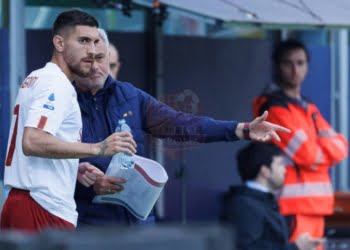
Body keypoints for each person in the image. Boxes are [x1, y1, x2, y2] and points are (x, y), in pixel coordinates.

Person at [73, 29, 290, 226]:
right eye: (87, 59)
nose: (96, 66)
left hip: (138, 223)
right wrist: (85, 183)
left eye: (101, 58)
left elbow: (181, 124)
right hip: (90, 223)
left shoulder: (130, 96)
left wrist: (241, 129)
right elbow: (45, 161)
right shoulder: (64, 100)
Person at [1, 10, 137, 233]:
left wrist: (72, 166)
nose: (92, 51)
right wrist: (99, 147)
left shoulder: (41, 77)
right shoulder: (56, 84)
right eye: (83, 41)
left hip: (29, 202)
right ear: (59, 43)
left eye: (95, 42)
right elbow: (33, 141)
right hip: (42, 207)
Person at [253, 39, 348, 250]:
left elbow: (341, 148)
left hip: (316, 206)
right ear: (277, 66)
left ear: (307, 67)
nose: (295, 70)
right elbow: (307, 154)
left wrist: (318, 153)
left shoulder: (308, 107)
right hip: (291, 206)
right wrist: (323, 153)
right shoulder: (273, 108)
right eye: (288, 63)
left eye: (300, 63)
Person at [220, 142, 324, 250]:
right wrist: (296, 247)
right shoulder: (244, 205)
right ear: (265, 171)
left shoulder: (261, 202)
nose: (284, 170)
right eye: (279, 164)